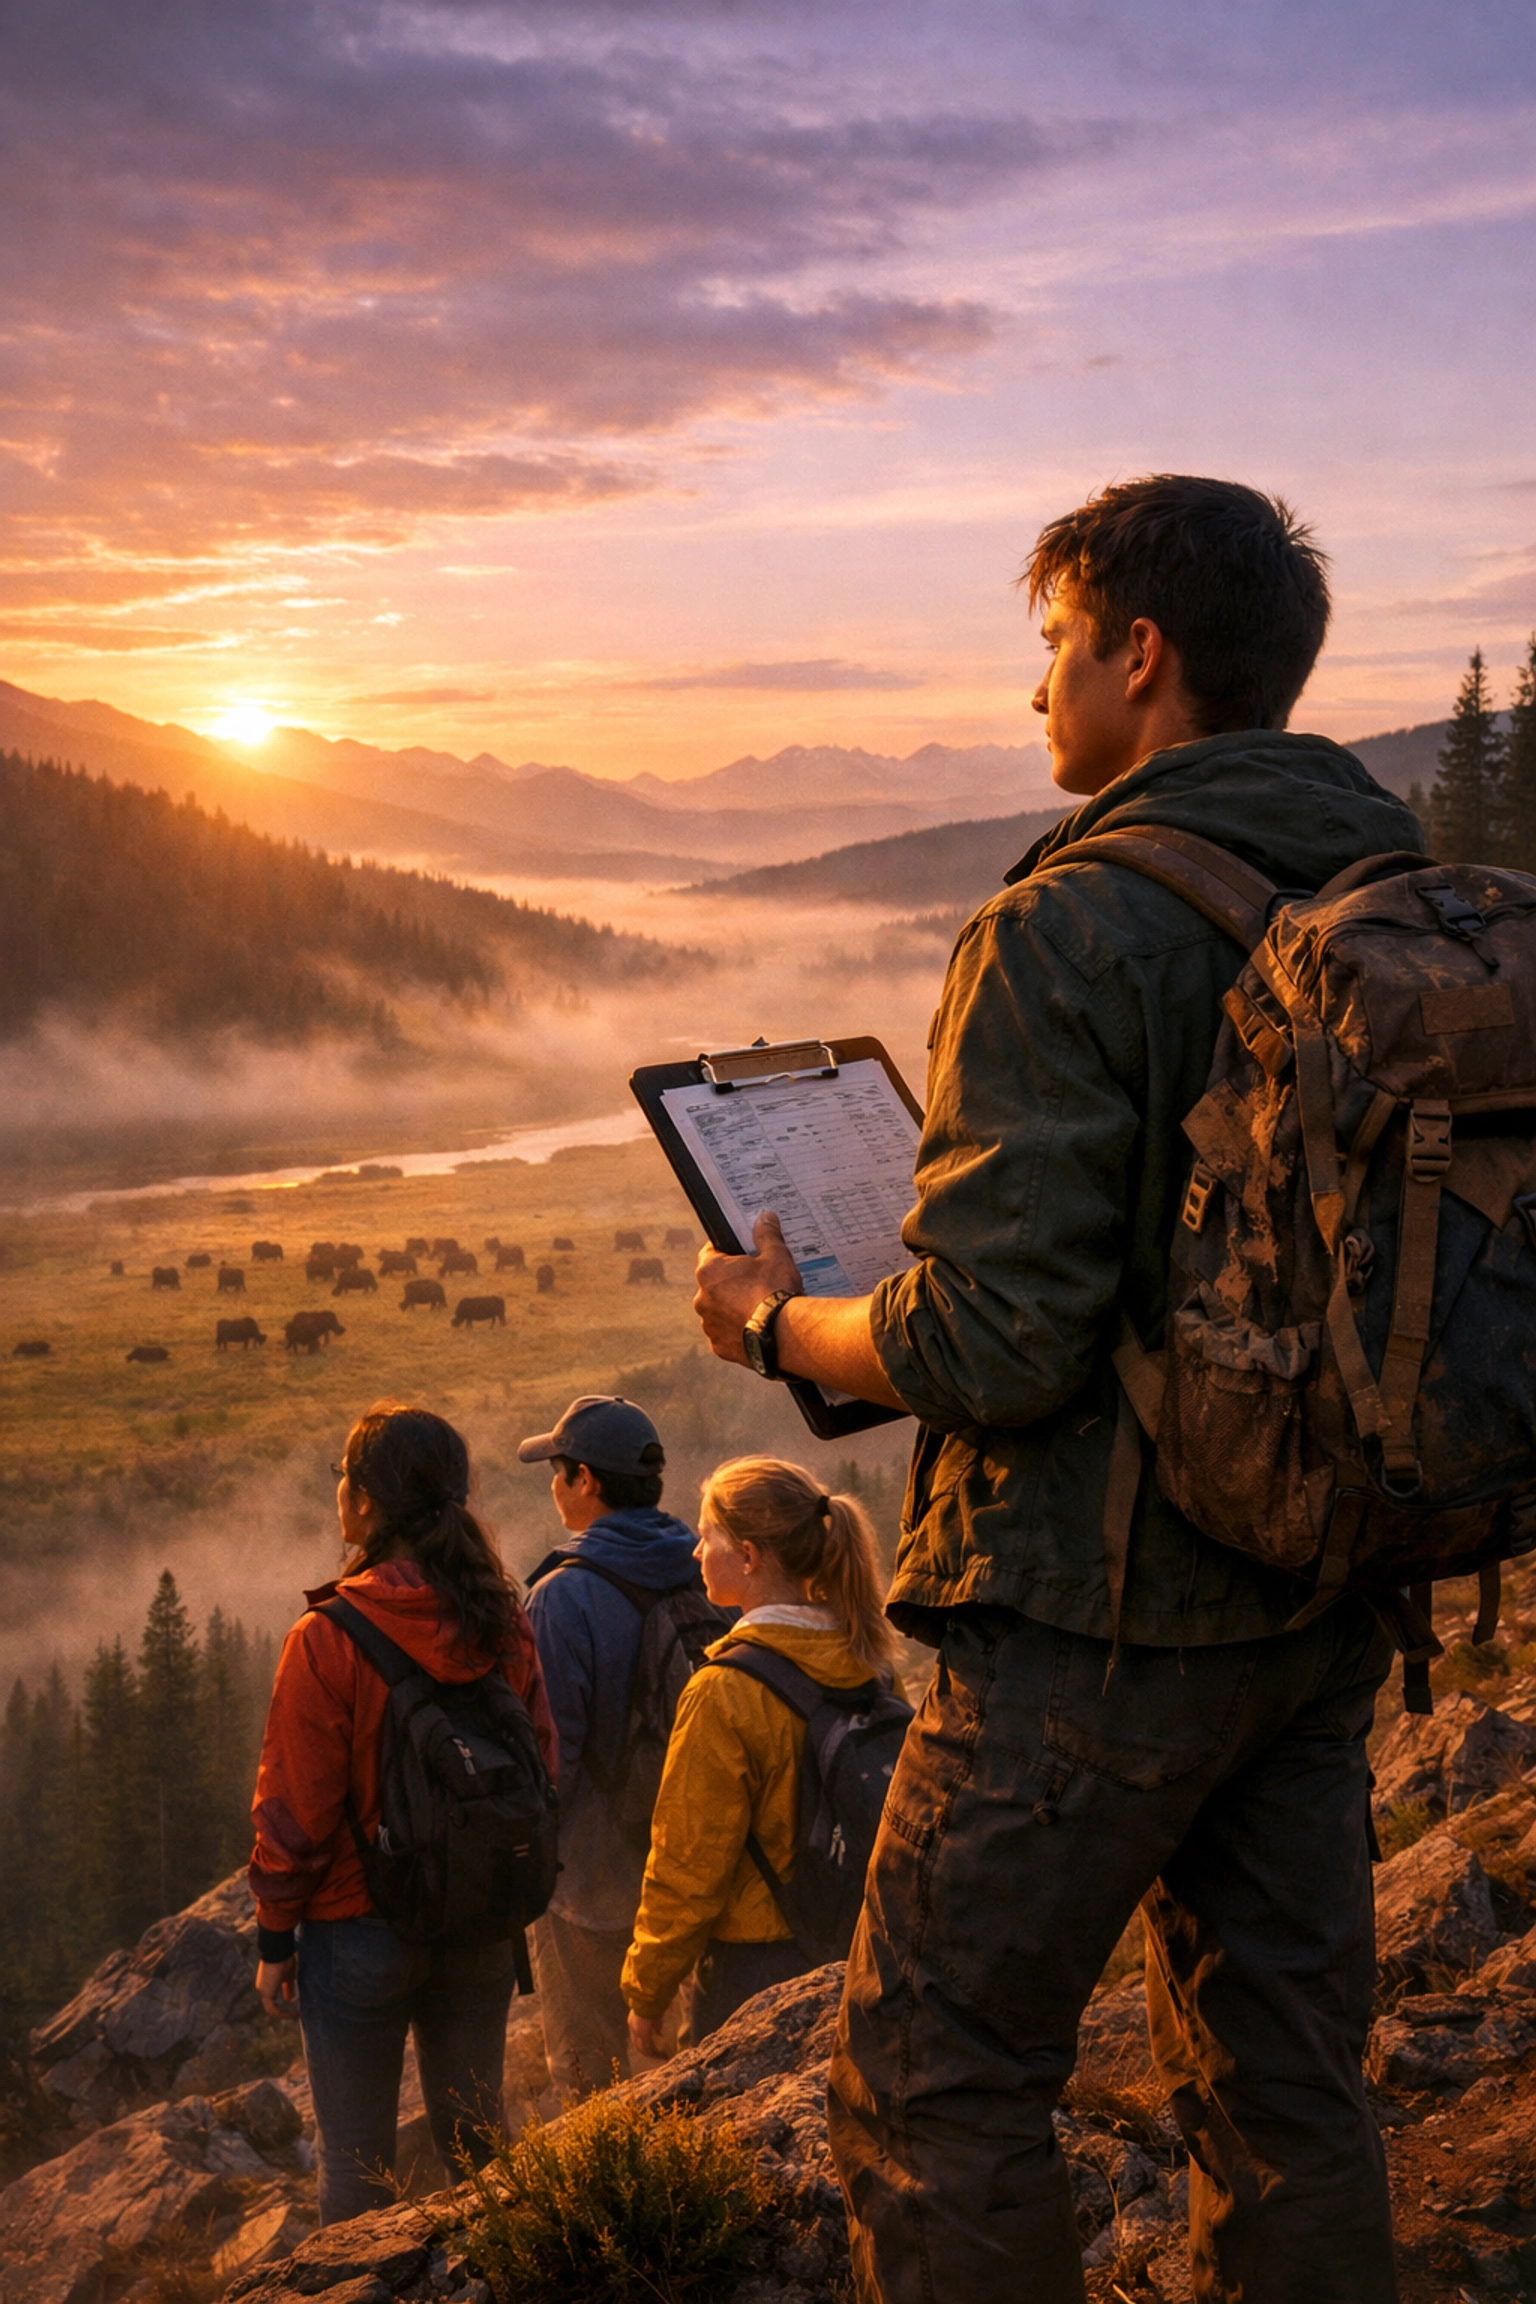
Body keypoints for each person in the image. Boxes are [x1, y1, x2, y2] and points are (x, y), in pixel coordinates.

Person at [691, 476, 1423, 2303]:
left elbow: (989, 1343)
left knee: (928, 2083)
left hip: (1095, 1623)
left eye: (1051, 649)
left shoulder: (1064, 927)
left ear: (1139, 655)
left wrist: (788, 1325)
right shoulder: (1382, 874)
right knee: (1289, 2087)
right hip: (1330, 1588)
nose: (1037, 695)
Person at [249, 1401, 556, 2225]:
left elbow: (295, 1816)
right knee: (480, 2153)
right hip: (480, 1919)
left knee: (357, 2177)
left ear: (363, 1507)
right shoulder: (504, 1622)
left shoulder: (326, 1639)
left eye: (345, 1479)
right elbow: (542, 1765)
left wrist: (276, 1938)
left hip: (359, 1931)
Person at [623, 1455, 898, 2052]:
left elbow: (688, 1863)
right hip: (863, 1951)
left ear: (747, 1557)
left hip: (753, 1973)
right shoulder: (870, 1665)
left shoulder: (722, 1691)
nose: (696, 1553)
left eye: (705, 1536)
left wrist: (648, 1990)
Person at [518, 1393, 705, 2100]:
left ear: (586, 1481)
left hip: (592, 1882)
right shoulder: (703, 1564)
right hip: (692, 1866)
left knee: (593, 2081)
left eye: (558, 1468)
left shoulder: (562, 1597)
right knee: (698, 2072)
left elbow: (550, 1758)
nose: (554, 1482)